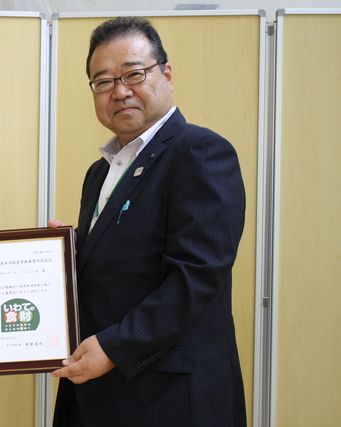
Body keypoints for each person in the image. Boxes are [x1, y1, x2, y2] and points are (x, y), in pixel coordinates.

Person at [49, 17, 247, 426]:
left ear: (166, 74)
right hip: (98, 392)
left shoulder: (200, 150)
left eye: (134, 74)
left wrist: (114, 347)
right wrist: (62, 257)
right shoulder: (99, 172)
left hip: (168, 398)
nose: (120, 91)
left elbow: (197, 275)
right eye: (104, 81)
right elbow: (121, 262)